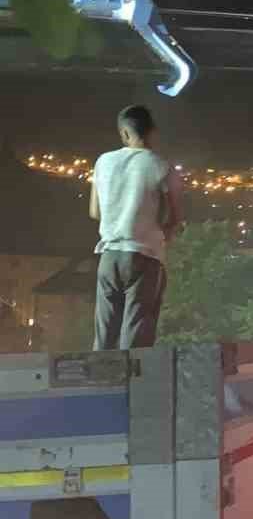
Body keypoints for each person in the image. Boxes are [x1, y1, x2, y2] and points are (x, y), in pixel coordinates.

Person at [90, 105, 184, 351]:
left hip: (108, 257)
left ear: (124, 133)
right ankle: (130, 388)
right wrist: (163, 239)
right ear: (153, 132)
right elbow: (174, 218)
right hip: (144, 257)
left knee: (104, 338)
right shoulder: (161, 166)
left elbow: (95, 212)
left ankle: (100, 386)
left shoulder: (103, 162)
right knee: (136, 340)